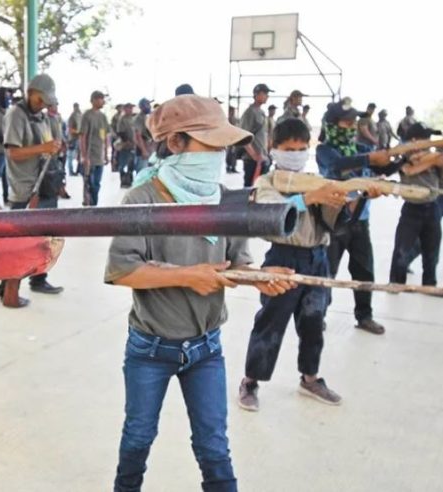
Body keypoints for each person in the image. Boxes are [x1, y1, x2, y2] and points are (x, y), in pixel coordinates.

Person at [105, 95, 294, 492]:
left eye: (224, 146)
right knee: (137, 440)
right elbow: (122, 270)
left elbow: (236, 265)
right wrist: (188, 276)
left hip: (206, 349)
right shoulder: (143, 199)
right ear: (175, 144)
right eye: (212, 145)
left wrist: (260, 277)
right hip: (150, 350)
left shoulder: (224, 200)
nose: (219, 155)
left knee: (214, 448)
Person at [239, 118, 368, 412]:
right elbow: (270, 215)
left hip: (317, 259)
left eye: (300, 148)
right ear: (274, 149)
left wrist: (353, 199)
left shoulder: (318, 180)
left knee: (313, 323)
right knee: (271, 323)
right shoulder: (268, 182)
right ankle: (250, 380)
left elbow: (333, 222)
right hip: (283, 259)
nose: (295, 154)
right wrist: (311, 197)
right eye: (288, 148)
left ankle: (310, 378)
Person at [316, 99, 394, 335]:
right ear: (331, 124)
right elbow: (338, 166)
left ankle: (364, 316)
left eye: (353, 123)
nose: (351, 127)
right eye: (346, 122)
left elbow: (383, 168)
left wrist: (402, 159)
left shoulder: (361, 150)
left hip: (360, 222)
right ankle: (317, 316)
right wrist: (371, 159)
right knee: (327, 272)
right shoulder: (325, 151)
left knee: (364, 270)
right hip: (333, 221)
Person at [0, 74, 64, 306]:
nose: (42, 104)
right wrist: (43, 147)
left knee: (42, 240)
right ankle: (7, 289)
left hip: (44, 185)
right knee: (18, 243)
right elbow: (12, 152)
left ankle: (38, 279)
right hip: (25, 188)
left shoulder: (43, 118)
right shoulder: (16, 114)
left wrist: (52, 148)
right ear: (30, 92)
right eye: (40, 99)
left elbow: (47, 149)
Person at [389, 123, 443, 286]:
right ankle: (396, 284)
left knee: (432, 251)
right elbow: (409, 169)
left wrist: (431, 159)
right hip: (412, 209)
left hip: (432, 206)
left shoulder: (433, 155)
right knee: (402, 250)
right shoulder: (401, 154)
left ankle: (429, 285)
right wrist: (431, 160)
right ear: (414, 140)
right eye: (425, 139)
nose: (429, 142)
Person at [239, 83, 274, 187]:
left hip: (262, 157)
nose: (267, 96)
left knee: (260, 189)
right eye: (265, 93)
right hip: (252, 160)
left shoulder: (262, 112)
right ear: (256, 94)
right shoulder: (250, 112)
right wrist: (255, 156)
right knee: (250, 189)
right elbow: (244, 136)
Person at [79, 90, 110, 206]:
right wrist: (84, 156)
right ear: (93, 100)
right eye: (100, 99)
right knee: (89, 183)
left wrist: (106, 154)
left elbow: (106, 136)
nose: (102, 101)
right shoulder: (87, 116)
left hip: (99, 157)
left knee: (97, 183)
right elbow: (83, 137)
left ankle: (94, 204)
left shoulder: (103, 117)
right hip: (90, 156)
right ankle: (88, 204)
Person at [116, 103, 137, 188]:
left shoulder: (132, 118)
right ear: (125, 109)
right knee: (123, 164)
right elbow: (120, 132)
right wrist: (127, 141)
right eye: (129, 108)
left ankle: (129, 180)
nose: (131, 110)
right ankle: (124, 181)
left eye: (131, 108)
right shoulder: (122, 119)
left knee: (130, 164)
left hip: (133, 145)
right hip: (125, 145)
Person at [134, 98, 154, 173]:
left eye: (149, 104)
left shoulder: (147, 117)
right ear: (141, 107)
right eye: (147, 104)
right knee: (142, 174)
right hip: (143, 150)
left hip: (150, 149)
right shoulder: (138, 118)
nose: (149, 106)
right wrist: (143, 150)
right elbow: (137, 136)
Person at [66, 102, 83, 176]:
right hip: (72, 139)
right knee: (70, 156)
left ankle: (79, 170)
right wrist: (78, 132)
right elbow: (70, 129)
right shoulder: (72, 116)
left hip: (79, 138)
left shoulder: (80, 115)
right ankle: (71, 171)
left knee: (80, 155)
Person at [226, 105, 240, 173]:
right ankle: (228, 167)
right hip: (229, 139)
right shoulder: (227, 119)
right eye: (232, 110)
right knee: (229, 154)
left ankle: (233, 167)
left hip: (235, 139)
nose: (233, 112)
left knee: (234, 154)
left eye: (233, 111)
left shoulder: (235, 119)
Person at [110, 104, 124, 171]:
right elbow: (112, 128)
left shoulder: (123, 116)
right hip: (115, 137)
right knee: (114, 152)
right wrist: (115, 135)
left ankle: (118, 166)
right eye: (120, 108)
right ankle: (113, 167)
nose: (121, 109)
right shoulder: (115, 117)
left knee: (120, 153)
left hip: (121, 137)